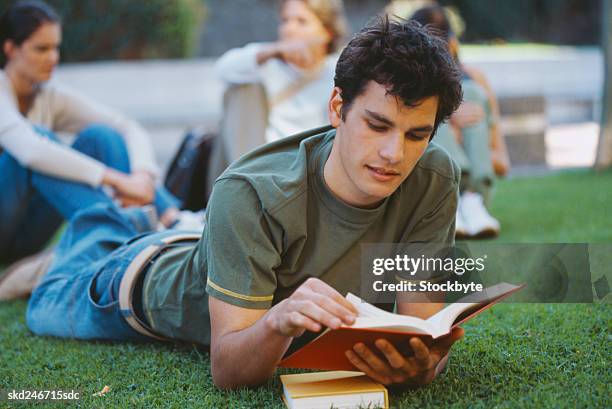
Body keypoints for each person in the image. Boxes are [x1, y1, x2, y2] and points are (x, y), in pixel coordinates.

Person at [26, 17, 464, 390]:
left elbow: (421, 327)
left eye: (416, 135)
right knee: (41, 307)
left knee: (133, 231)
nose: (394, 154)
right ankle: (91, 236)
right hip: (132, 288)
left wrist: (425, 363)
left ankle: (120, 227)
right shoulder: (252, 193)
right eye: (377, 125)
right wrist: (278, 320)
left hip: (202, 247)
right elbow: (229, 369)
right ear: (337, 107)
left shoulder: (433, 177)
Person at [0, 1, 190, 268]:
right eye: (41, 49)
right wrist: (117, 180)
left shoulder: (49, 96)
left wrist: (141, 175)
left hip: (27, 235)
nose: (53, 58)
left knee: (101, 136)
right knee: (39, 141)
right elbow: (32, 151)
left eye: (55, 48)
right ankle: (123, 235)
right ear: (10, 49)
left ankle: (172, 218)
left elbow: (126, 126)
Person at [411, 5, 511, 239]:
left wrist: (463, 137)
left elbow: (502, 164)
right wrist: (444, 118)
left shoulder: (476, 81)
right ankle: (451, 199)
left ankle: (469, 199)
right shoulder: (407, 86)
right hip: (432, 189)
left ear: (453, 44)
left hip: (477, 186)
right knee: (432, 102)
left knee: (471, 93)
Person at [214, 0, 347, 143]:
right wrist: (273, 51)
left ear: (326, 32)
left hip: (317, 155)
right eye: (285, 21)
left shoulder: (337, 68)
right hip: (270, 155)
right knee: (241, 91)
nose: (289, 29)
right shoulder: (269, 62)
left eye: (301, 22)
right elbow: (223, 70)